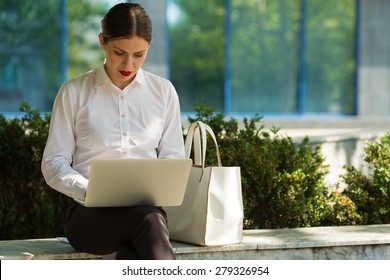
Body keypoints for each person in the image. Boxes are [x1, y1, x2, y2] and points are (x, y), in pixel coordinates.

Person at [41, 2, 184, 260]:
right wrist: (89, 190)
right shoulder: (74, 92)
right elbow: (53, 163)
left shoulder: (163, 93)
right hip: (90, 217)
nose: (128, 63)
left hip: (147, 213)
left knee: (135, 247)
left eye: (139, 54)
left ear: (149, 47)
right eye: (119, 52)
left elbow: (173, 158)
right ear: (102, 42)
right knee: (148, 222)